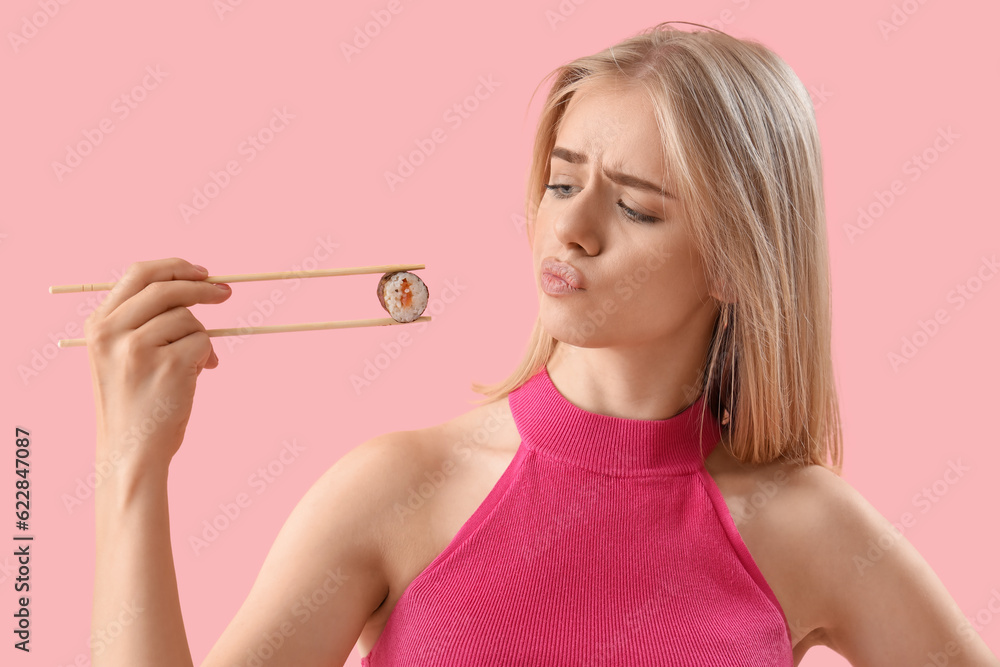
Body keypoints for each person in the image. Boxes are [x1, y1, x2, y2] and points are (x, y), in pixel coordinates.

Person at [86, 22, 999, 667]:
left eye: (636, 205)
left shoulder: (809, 526)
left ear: (737, 260)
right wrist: (134, 459)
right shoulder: (400, 488)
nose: (574, 229)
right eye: (561, 184)